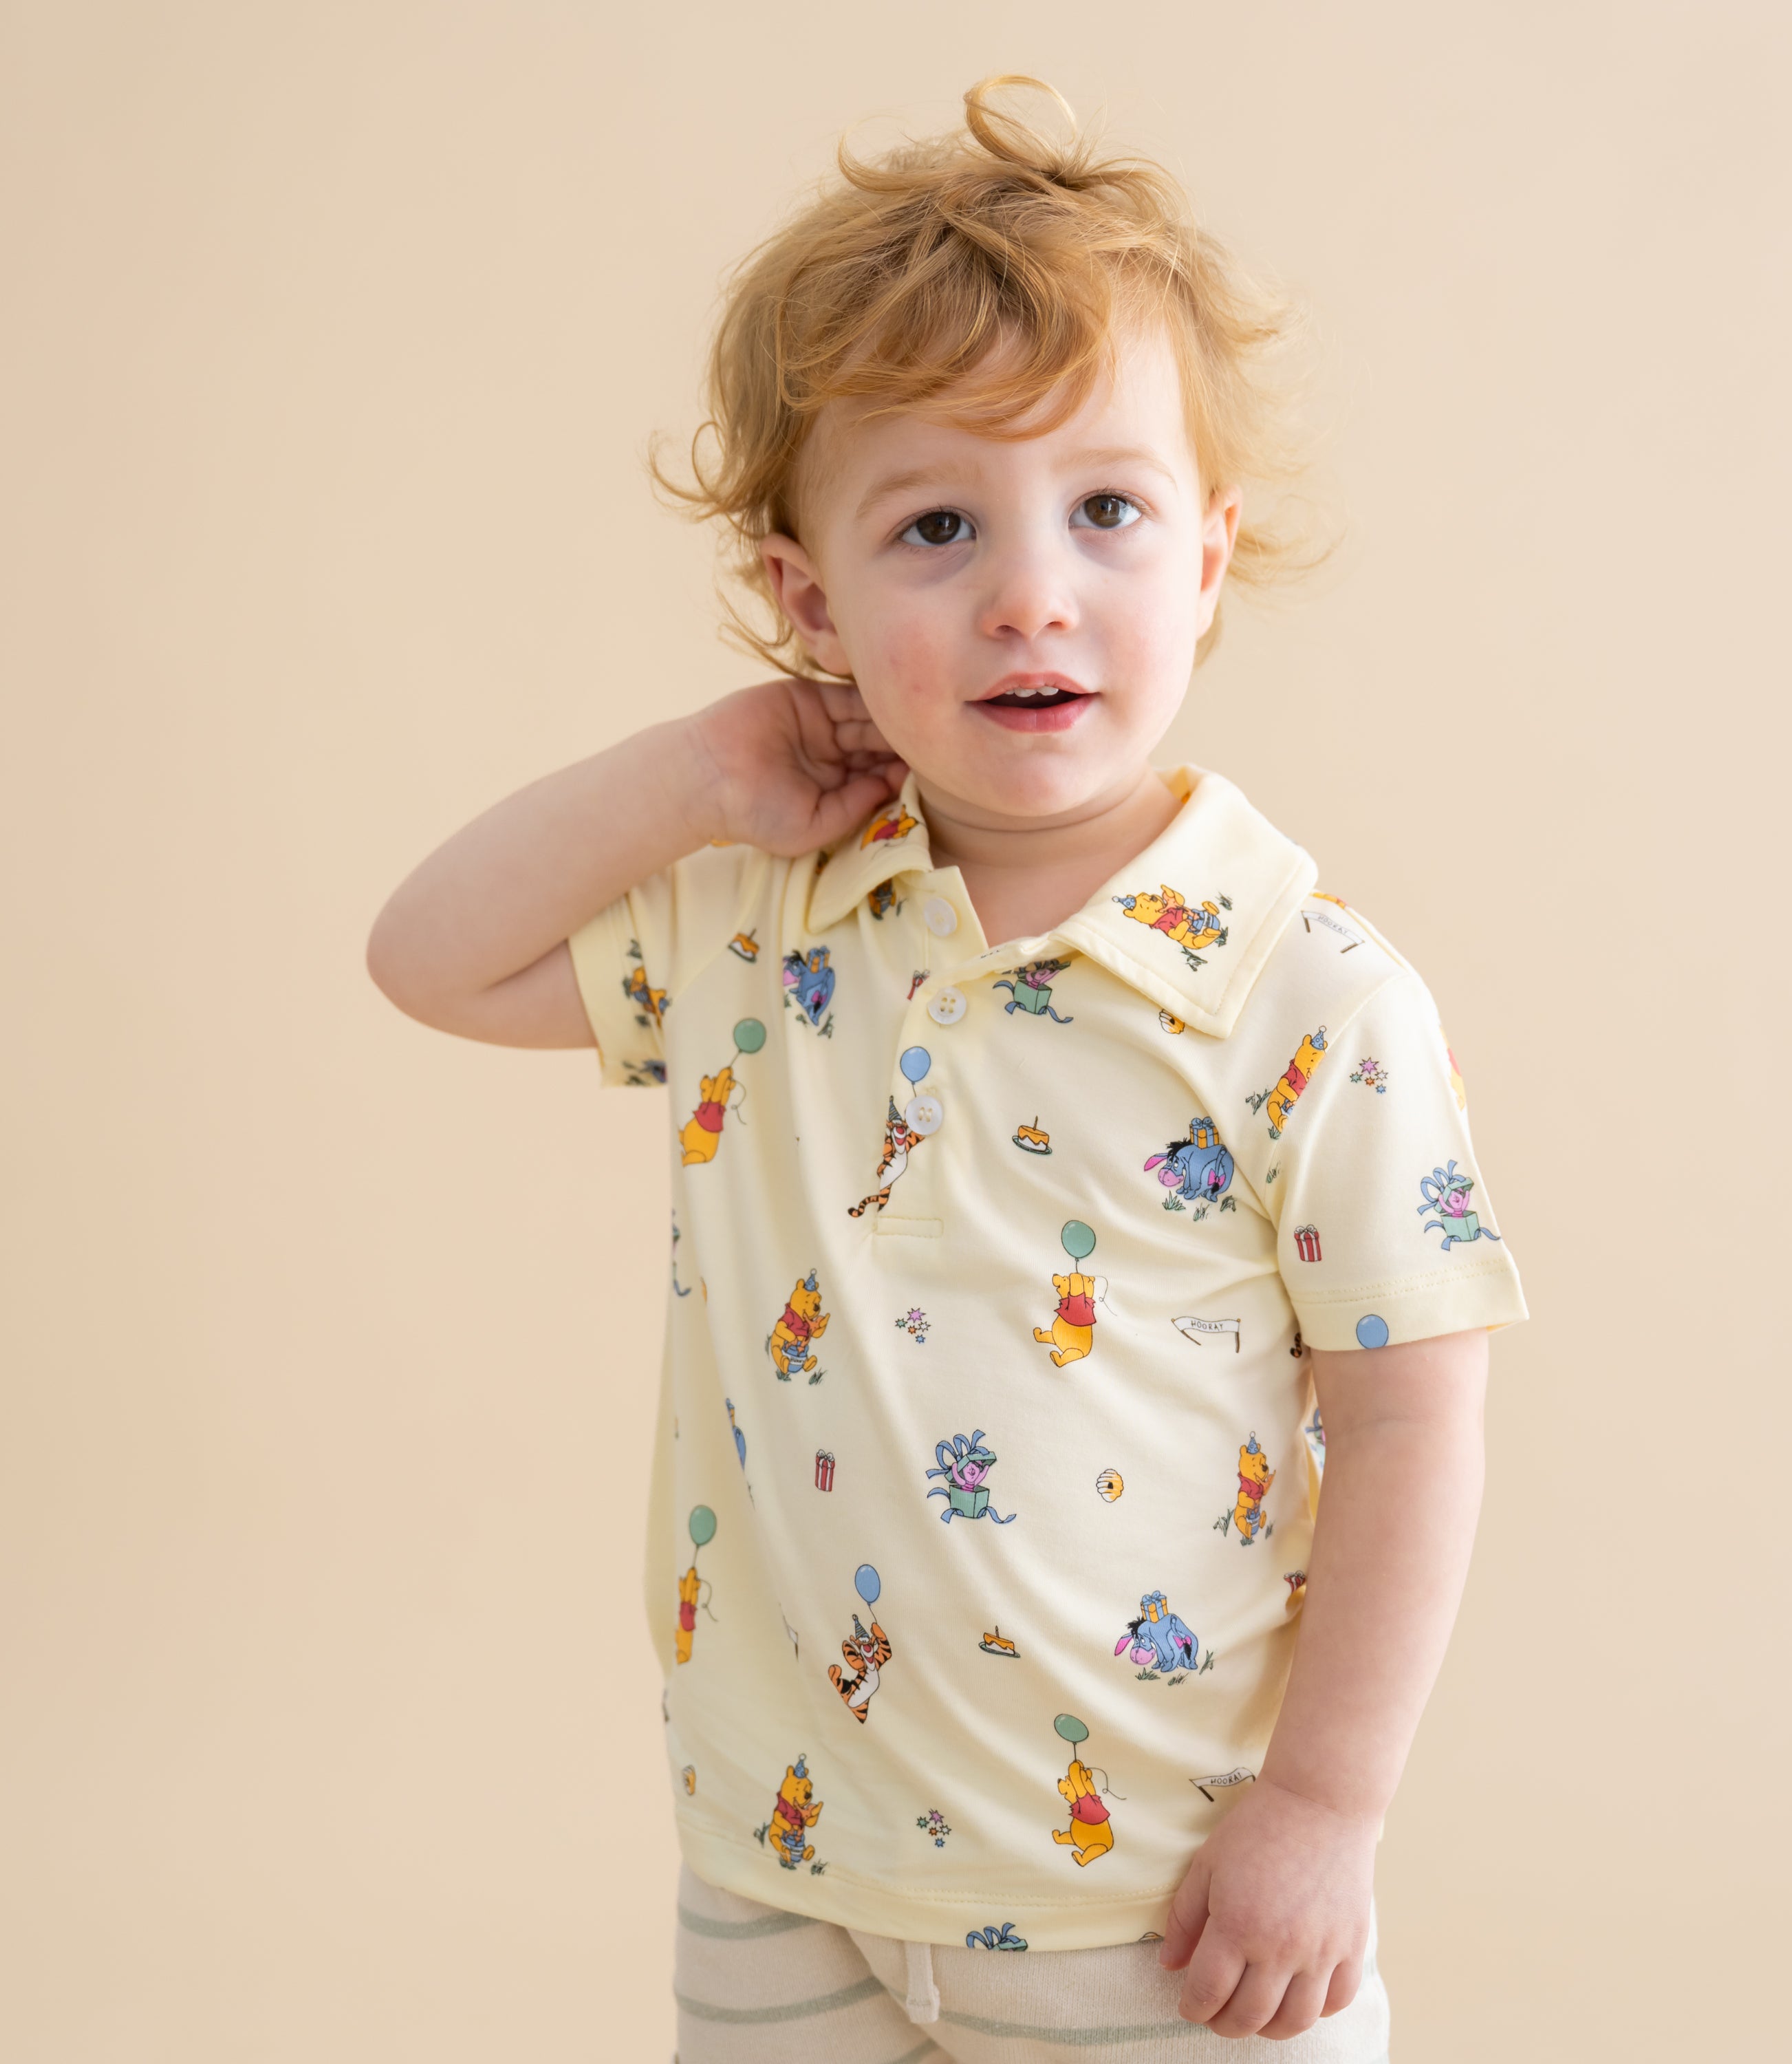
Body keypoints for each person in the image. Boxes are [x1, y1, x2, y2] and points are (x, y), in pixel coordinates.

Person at [367, 75, 1526, 2061]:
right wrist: (704, 773)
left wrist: (1323, 1813)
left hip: (1162, 1905)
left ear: (1209, 560)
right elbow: (429, 960)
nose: (1029, 590)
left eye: (1106, 510)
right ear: (808, 602)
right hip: (782, 1863)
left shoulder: (1303, 994)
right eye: (932, 526)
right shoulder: (751, 924)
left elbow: (1415, 1422)